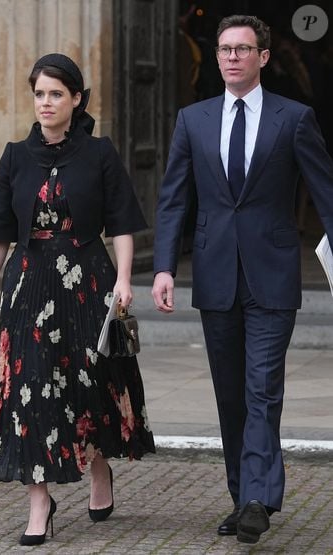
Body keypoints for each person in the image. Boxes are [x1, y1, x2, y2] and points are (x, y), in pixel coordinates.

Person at [152, 15, 333, 545]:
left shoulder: (294, 118)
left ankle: (258, 497)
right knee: (230, 397)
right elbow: (173, 199)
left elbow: (325, 192)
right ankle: (242, 496)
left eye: (243, 49)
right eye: (225, 49)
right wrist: (163, 266)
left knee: (261, 389)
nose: (232, 57)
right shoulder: (193, 119)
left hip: (273, 274)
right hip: (214, 275)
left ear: (264, 57)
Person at [0, 53, 155, 546]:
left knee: (90, 384)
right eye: (39, 94)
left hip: (88, 282)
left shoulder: (99, 153)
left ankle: (98, 465)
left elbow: (121, 223)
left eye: (57, 94)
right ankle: (40, 502)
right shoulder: (15, 154)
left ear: (76, 99)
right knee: (28, 391)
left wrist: (123, 279)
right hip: (28, 284)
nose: (46, 103)